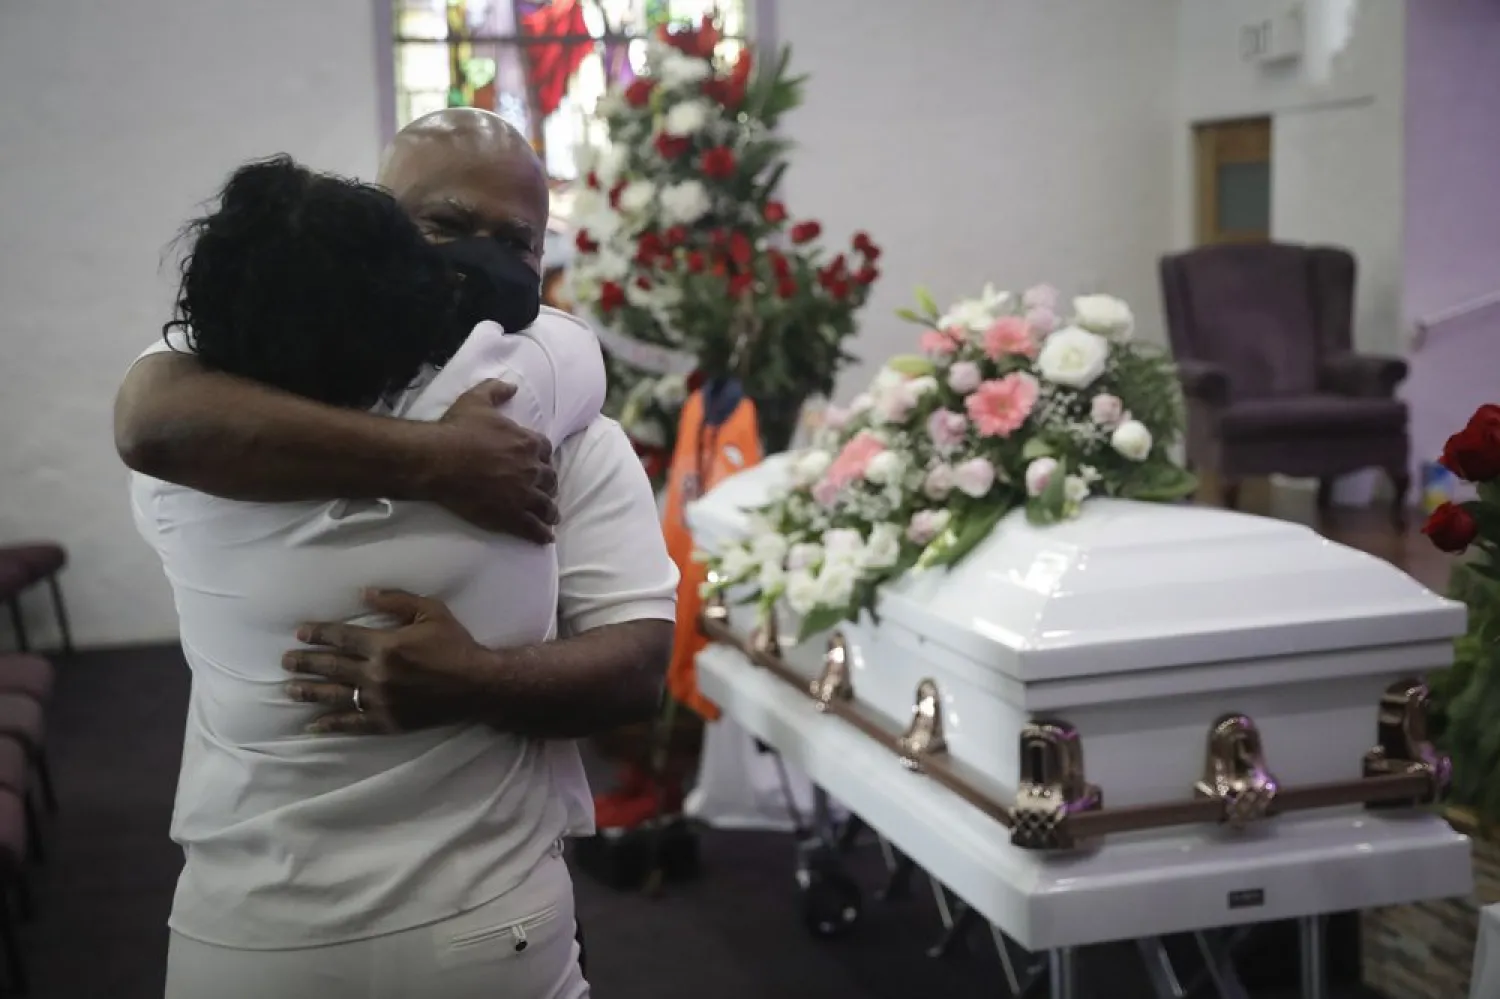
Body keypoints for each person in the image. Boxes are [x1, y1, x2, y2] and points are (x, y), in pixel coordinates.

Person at [116, 113, 678, 997]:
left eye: (515, 242)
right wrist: (437, 460)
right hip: (459, 920)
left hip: (274, 924)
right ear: (378, 221)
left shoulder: (190, 452)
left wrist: (479, 680)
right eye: (445, 225)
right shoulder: (531, 408)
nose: (479, 262)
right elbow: (570, 345)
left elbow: (639, 666)